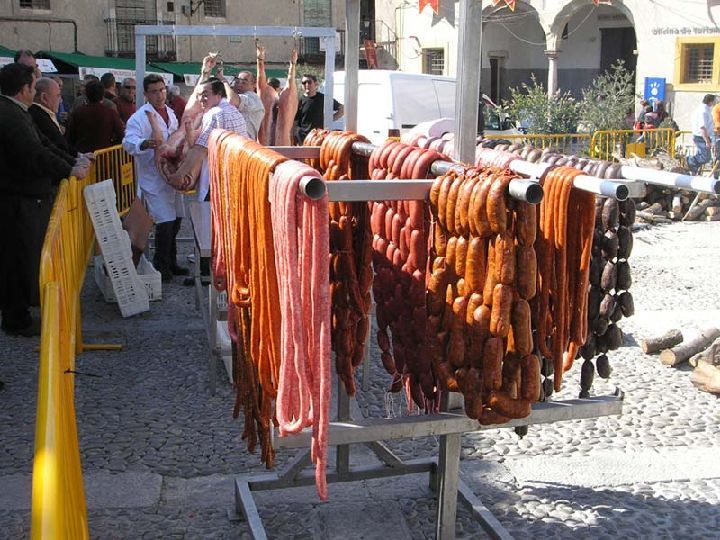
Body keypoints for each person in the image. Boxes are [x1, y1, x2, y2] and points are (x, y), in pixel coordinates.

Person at [0, 63, 88, 337]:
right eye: (33, 82)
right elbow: (34, 152)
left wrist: (72, 162)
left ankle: (19, 313)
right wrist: (69, 168)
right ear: (25, 89)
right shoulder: (11, 115)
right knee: (16, 258)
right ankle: (17, 317)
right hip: (14, 200)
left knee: (20, 257)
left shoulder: (17, 112)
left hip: (21, 196)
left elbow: (44, 146)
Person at [123, 74, 187, 281]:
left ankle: (172, 261)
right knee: (164, 221)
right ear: (146, 94)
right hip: (152, 177)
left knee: (176, 219)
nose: (159, 95)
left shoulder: (170, 113)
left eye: (162, 90)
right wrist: (144, 143)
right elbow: (128, 142)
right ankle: (162, 266)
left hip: (171, 176)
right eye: (154, 91)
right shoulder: (139, 117)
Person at [169, 75, 248, 201]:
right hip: (238, 173)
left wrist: (179, 174)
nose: (201, 99)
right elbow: (200, 141)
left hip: (222, 177)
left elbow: (200, 150)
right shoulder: (232, 110)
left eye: (206, 94)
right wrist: (190, 134)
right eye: (199, 95)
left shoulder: (215, 113)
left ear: (219, 94)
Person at [66, 79, 125, 152]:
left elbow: (70, 137)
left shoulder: (78, 112)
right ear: (102, 95)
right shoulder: (111, 113)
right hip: (104, 155)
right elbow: (121, 134)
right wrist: (111, 145)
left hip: (83, 156)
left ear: (86, 95)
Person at [29, 77, 76, 155]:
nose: (60, 100)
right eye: (58, 96)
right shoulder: (40, 117)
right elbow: (58, 146)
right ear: (44, 97)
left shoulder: (39, 113)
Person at [294, 73, 344, 145]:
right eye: (304, 83)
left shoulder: (323, 98)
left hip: (319, 137)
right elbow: (295, 121)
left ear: (316, 84)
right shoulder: (299, 101)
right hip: (303, 138)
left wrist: (330, 119)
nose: (306, 84)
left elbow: (342, 108)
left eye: (309, 82)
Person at [227, 70, 264, 141]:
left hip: (244, 146)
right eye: (237, 82)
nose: (239, 85)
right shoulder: (233, 95)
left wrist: (224, 82)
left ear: (254, 85)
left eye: (244, 82)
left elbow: (232, 100)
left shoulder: (253, 98)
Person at [687, 94, 716, 176]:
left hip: (703, 136)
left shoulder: (705, 109)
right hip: (701, 137)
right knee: (706, 157)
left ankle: (694, 171)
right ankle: (690, 160)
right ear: (710, 101)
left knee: (702, 155)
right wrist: (707, 141)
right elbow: (702, 127)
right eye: (714, 101)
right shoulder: (703, 111)